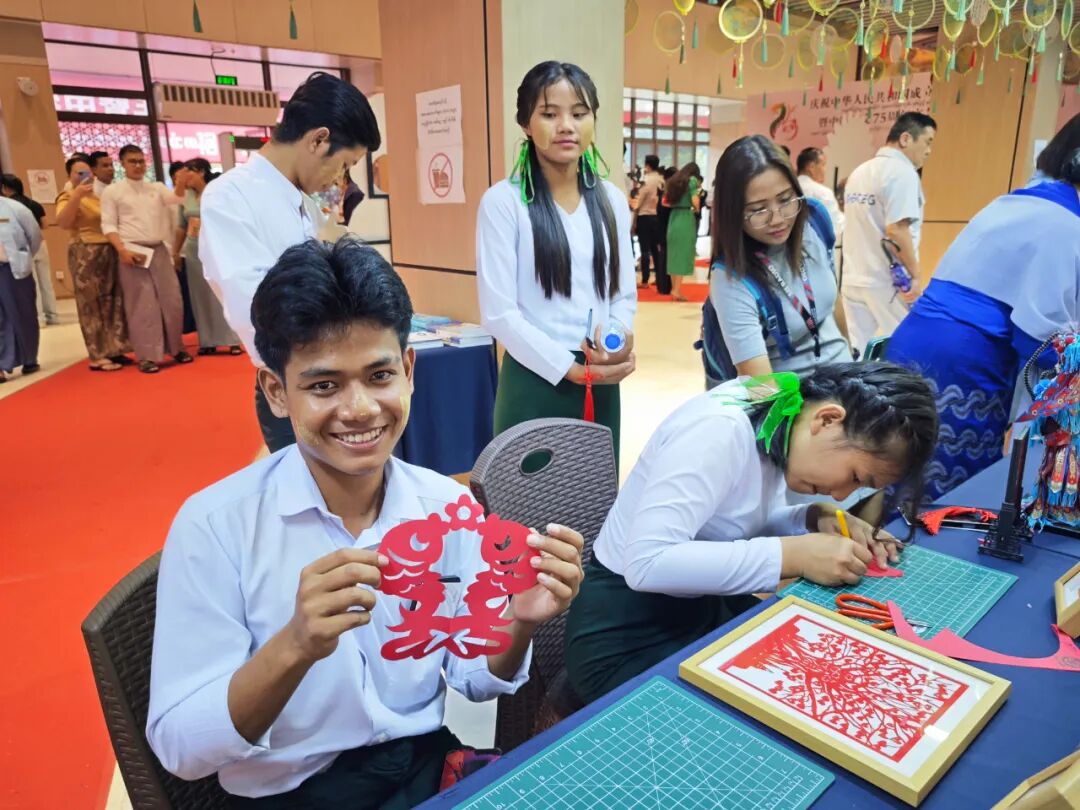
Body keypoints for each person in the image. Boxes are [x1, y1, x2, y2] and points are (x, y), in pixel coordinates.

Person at [147, 237, 586, 808]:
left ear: (409, 371)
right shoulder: (217, 527)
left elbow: (472, 676)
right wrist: (294, 645)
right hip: (292, 794)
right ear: (277, 391)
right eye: (323, 385)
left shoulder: (441, 506)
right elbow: (181, 750)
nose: (359, 409)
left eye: (379, 376)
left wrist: (518, 618)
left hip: (424, 767)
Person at [565, 362, 939, 703]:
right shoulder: (719, 428)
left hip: (699, 607)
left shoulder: (779, 408)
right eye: (855, 477)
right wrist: (794, 555)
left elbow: (732, 521)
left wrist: (812, 517)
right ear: (827, 419)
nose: (842, 495)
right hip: (625, 635)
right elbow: (647, 563)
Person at [885, 113, 1080, 500]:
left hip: (925, 346)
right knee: (942, 498)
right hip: (958, 367)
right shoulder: (1063, 224)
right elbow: (1042, 341)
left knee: (905, 480)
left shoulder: (1021, 201)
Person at [200, 70, 381, 452]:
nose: (339, 179)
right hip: (297, 382)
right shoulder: (230, 197)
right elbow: (254, 309)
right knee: (311, 485)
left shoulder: (303, 204)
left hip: (335, 372)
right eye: (344, 164)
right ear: (318, 140)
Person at [477, 61, 636, 463]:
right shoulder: (504, 202)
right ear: (526, 124)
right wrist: (569, 368)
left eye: (579, 114)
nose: (567, 126)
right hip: (534, 376)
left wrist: (616, 339)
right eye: (550, 114)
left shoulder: (612, 200)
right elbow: (499, 314)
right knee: (525, 493)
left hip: (599, 377)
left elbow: (622, 295)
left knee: (593, 490)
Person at [710, 136, 850, 379]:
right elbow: (762, 388)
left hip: (846, 381)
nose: (777, 219)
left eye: (785, 200)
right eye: (758, 210)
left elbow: (833, 301)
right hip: (797, 397)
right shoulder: (731, 278)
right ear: (733, 213)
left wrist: (856, 368)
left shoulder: (813, 222)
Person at [841, 112, 937, 353]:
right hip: (888, 281)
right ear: (906, 139)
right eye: (927, 142)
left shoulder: (860, 172)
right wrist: (916, 276)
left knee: (856, 352)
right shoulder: (902, 172)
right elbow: (897, 229)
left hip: (853, 277)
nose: (929, 151)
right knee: (906, 348)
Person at [100, 144, 191, 374]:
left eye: (141, 161)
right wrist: (122, 250)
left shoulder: (156, 187)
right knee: (142, 304)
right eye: (133, 161)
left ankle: (176, 347)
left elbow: (177, 199)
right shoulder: (113, 192)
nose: (138, 165)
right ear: (123, 164)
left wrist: (181, 182)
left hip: (158, 249)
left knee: (172, 300)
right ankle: (147, 355)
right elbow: (108, 225)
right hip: (132, 250)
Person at [54, 156, 131, 372]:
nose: (84, 177)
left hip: (109, 251)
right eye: (78, 173)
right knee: (91, 303)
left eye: (87, 172)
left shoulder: (100, 194)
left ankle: (115, 348)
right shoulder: (67, 195)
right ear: (69, 175)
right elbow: (63, 222)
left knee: (112, 300)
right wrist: (77, 196)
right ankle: (97, 354)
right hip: (85, 252)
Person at [171, 159, 243, 356]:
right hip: (193, 249)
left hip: (216, 247)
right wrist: (175, 252)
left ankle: (231, 339)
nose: (185, 177)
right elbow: (180, 226)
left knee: (221, 292)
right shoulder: (186, 197)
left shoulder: (216, 191)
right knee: (199, 295)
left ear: (201, 172)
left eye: (189, 172)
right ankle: (207, 340)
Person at [1, 174, 60, 326]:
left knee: (32, 283)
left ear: (5, 188)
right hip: (40, 244)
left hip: (22, 247)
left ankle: (39, 318)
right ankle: (53, 315)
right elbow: (45, 225)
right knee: (46, 282)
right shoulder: (34, 203)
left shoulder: (9, 207)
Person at [0, 193, 42, 381]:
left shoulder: (15, 208)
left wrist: (23, 257)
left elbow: (35, 236)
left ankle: (29, 358)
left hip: (12, 269)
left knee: (24, 314)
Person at [663, 162, 702, 302]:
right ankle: (677, 290)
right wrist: (696, 208)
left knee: (673, 255)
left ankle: (674, 288)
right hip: (685, 218)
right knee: (683, 253)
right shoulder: (692, 181)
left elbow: (665, 202)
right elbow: (695, 201)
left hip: (673, 218)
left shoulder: (673, 181)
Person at [796, 147, 844, 238]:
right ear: (811, 166)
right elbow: (836, 225)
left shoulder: (788, 189)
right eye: (823, 165)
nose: (825, 170)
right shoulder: (822, 192)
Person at [632, 154, 664, 288]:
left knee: (644, 249)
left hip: (644, 216)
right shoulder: (662, 180)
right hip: (657, 217)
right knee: (656, 249)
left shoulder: (646, 180)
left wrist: (633, 220)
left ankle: (645, 279)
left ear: (647, 165)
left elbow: (639, 202)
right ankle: (659, 278)